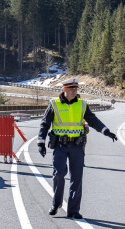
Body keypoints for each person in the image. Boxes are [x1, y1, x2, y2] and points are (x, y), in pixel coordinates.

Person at [37, 77, 117, 219]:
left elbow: (93, 120)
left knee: (77, 178)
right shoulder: (54, 104)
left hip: (77, 146)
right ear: (64, 89)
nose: (74, 91)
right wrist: (41, 142)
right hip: (60, 146)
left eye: (76, 88)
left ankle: (73, 210)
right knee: (59, 174)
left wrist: (106, 131)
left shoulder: (82, 104)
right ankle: (56, 204)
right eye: (71, 89)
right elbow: (45, 124)